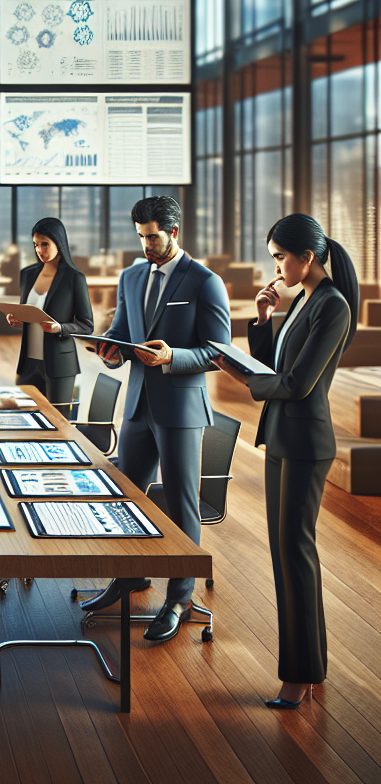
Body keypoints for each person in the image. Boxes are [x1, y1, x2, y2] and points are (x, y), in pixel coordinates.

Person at [213, 214, 357, 708]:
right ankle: (308, 668)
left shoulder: (332, 306)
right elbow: (278, 364)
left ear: (307, 257)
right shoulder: (305, 301)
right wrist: (262, 319)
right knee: (287, 554)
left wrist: (241, 380)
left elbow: (297, 385)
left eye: (279, 257)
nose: (275, 267)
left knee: (294, 555)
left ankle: (299, 675)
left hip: (305, 444)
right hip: (282, 439)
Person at [85, 195, 230, 642]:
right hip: (137, 407)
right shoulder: (130, 276)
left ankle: (180, 597)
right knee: (126, 496)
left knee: (182, 503)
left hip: (180, 409)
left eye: (153, 237)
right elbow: (122, 334)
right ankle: (129, 577)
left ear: (174, 232)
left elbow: (218, 351)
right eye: (141, 237)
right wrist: (108, 349)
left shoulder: (205, 282)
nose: (146, 245)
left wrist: (173, 356)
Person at [5, 217, 94, 411]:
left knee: (57, 422)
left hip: (59, 365)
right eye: (36, 244)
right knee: (23, 417)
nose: (39, 250)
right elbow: (29, 312)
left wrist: (60, 328)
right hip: (29, 363)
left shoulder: (74, 278)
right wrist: (18, 320)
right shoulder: (28, 274)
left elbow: (87, 326)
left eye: (45, 244)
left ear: (59, 243)